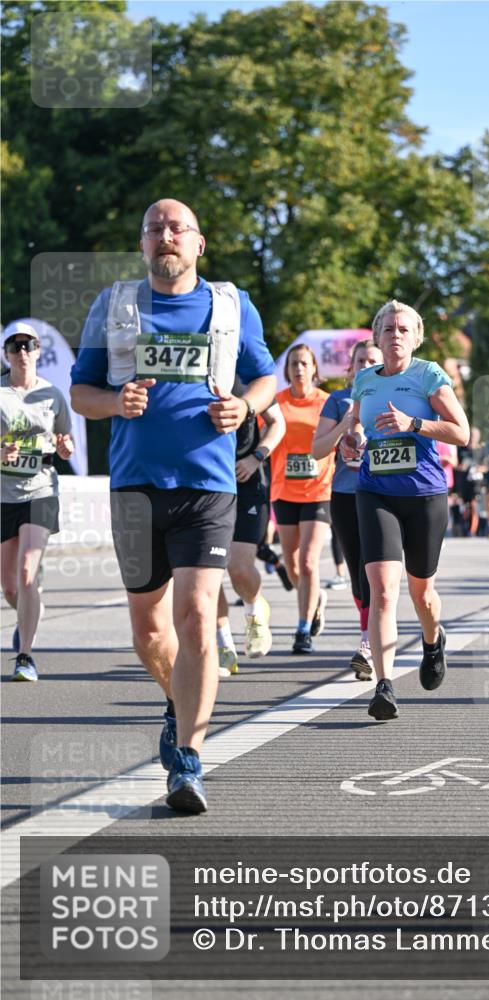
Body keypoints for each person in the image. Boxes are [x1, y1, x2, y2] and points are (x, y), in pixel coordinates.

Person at [70, 199, 276, 813]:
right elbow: (82, 393)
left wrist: (247, 407)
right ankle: (178, 699)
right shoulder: (114, 305)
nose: (166, 236)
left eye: (177, 228)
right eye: (155, 228)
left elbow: (263, 378)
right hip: (135, 487)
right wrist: (116, 403)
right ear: (142, 245)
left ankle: (187, 761)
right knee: (149, 631)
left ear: (198, 244)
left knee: (194, 618)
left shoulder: (231, 305)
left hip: (208, 486)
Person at [341, 300, 469, 720]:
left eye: (403, 329)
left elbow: (461, 432)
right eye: (388, 329)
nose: (395, 335)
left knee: (422, 593)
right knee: (382, 589)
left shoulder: (429, 375)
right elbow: (357, 424)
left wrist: (414, 424)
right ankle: (384, 685)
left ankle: (433, 642)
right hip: (375, 491)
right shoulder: (364, 380)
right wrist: (353, 440)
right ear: (376, 337)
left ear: (416, 337)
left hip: (424, 495)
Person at [1, 323, 75, 681]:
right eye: (15, 347)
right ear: (6, 354)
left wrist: (65, 448)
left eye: (28, 345)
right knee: (11, 586)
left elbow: (65, 440)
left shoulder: (52, 394)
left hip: (41, 488)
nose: (22, 352)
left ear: (38, 351)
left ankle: (25, 656)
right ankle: (28, 612)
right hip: (3, 493)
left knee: (27, 571)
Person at [312, 338, 383, 679]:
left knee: (374, 569)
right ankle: (369, 635)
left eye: (373, 359)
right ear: (351, 367)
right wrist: (346, 424)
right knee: (356, 573)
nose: (366, 365)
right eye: (361, 360)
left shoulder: (393, 397)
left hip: (384, 494)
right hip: (344, 494)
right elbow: (317, 450)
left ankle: (369, 643)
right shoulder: (337, 400)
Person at [216, 382, 286, 676]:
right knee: (202, 574)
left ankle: (255, 609)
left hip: (247, 483)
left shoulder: (245, 377)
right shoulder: (188, 372)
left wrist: (255, 457)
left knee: (239, 568)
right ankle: (222, 645)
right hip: (204, 485)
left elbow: (277, 423)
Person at [271, 345, 334, 654]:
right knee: (293, 565)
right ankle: (316, 599)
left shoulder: (326, 403)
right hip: (283, 489)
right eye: (294, 363)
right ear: (288, 370)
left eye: (304, 363)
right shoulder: (277, 403)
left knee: (309, 562)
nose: (298, 368)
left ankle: (302, 629)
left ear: (313, 369)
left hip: (318, 489)